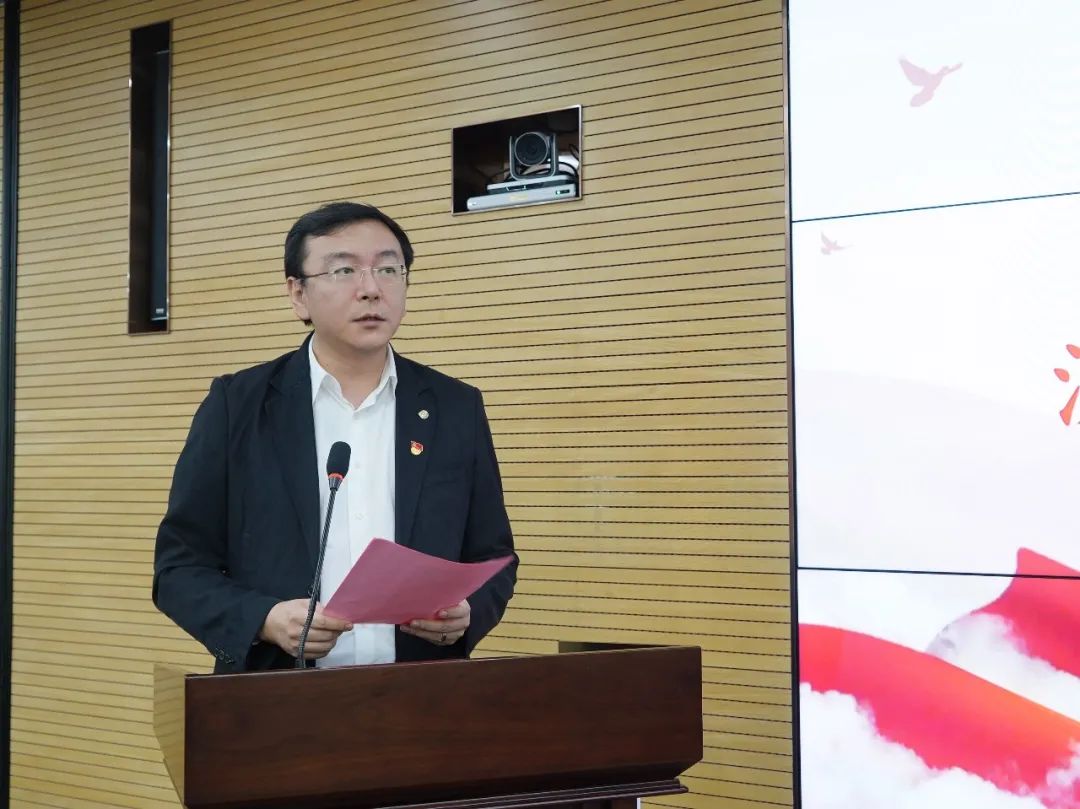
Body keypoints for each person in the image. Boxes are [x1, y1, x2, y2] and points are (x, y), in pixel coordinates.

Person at [152, 202, 517, 673]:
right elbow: (179, 570)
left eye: (388, 269)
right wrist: (263, 619)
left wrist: (467, 614)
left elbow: (493, 556)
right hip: (279, 698)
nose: (371, 289)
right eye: (344, 270)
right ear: (298, 294)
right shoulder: (237, 406)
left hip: (423, 693)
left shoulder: (455, 407)